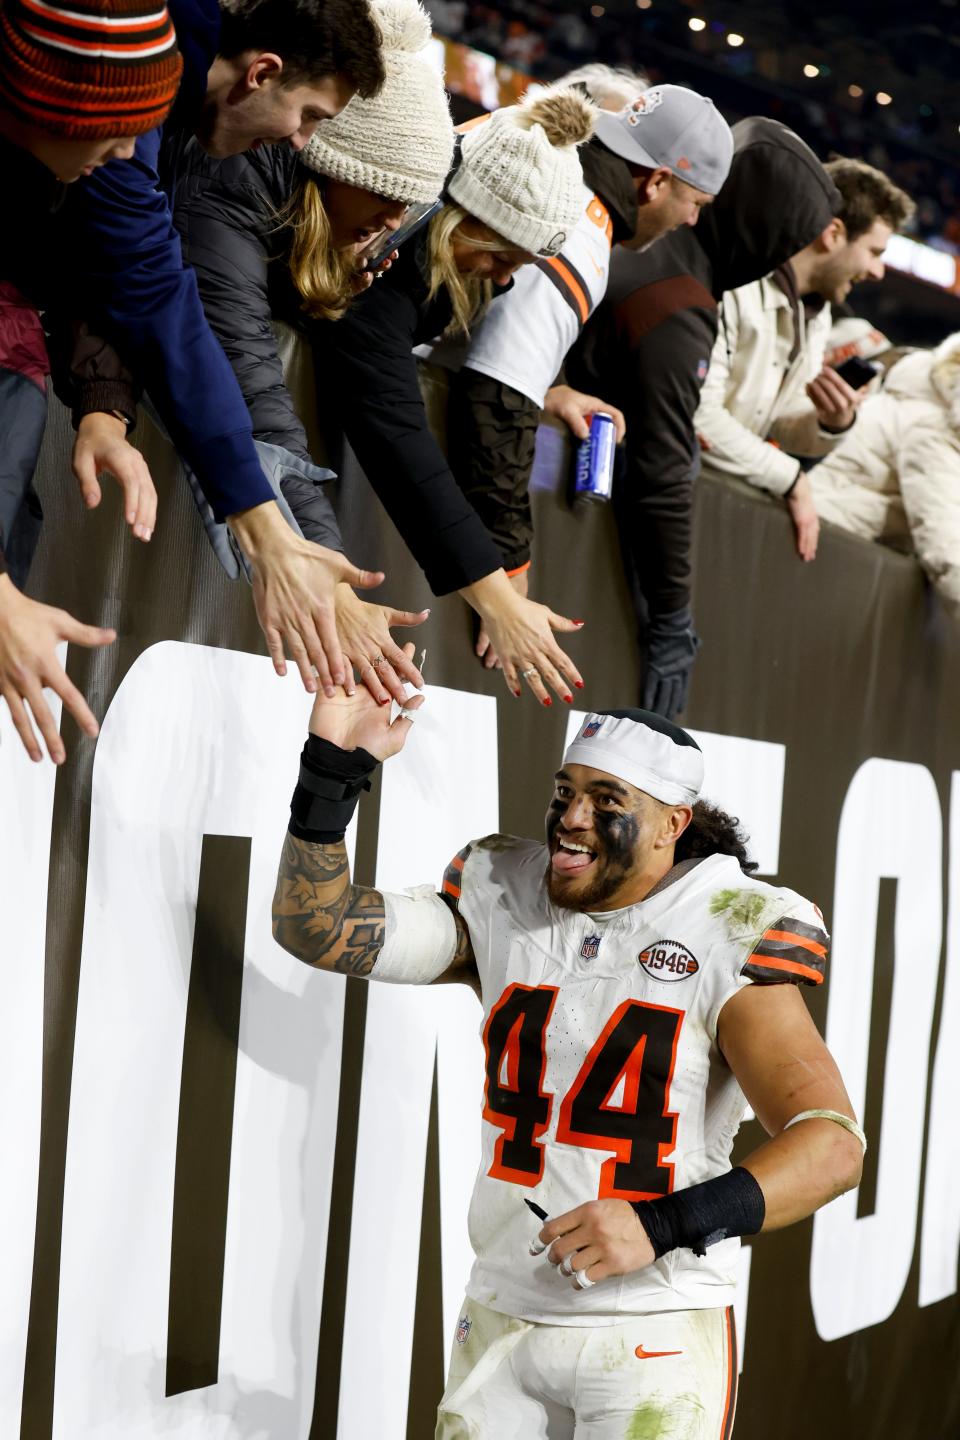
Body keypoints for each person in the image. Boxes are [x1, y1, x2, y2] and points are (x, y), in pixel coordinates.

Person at [271, 684, 864, 1438]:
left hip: (653, 1328)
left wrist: (663, 1224)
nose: (572, 819)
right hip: (502, 1313)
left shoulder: (728, 926)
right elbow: (315, 928)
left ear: (670, 827)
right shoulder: (505, 892)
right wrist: (331, 769)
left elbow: (832, 1144)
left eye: (605, 798)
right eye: (565, 792)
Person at [172, 81, 599, 704]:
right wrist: (492, 593)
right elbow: (386, 424)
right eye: (502, 255)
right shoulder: (381, 247)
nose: (505, 280)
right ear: (460, 216)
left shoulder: (408, 245)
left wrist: (553, 384)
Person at [56, 0, 395, 705]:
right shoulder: (137, 85)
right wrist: (262, 522)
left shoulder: (167, 90)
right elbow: (151, 289)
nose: (301, 142)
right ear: (260, 72)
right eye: (309, 116)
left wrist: (103, 406)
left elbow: (119, 263)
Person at [164, 0, 454, 704]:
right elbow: (254, 386)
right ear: (327, 156)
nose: (395, 225)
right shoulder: (229, 181)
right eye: (387, 199)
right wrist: (323, 569)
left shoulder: (309, 206)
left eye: (411, 214)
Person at [417, 81, 734, 670]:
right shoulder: (583, 227)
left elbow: (496, 328)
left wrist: (552, 384)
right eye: (696, 202)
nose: (690, 221)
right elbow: (496, 404)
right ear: (657, 180)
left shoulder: (543, 139)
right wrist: (508, 574)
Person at [567, 119, 841, 720]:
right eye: (786, 238)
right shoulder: (678, 300)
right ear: (763, 226)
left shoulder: (657, 248)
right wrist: (672, 618)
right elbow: (662, 472)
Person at [0, 0, 183, 762]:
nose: (127, 152)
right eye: (117, 130)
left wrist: (104, 406)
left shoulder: (50, 177)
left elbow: (86, 263)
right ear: (56, 108)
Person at [695, 158, 914, 562]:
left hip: (714, 501)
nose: (879, 271)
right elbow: (698, 419)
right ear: (833, 234)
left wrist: (828, 422)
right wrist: (791, 478)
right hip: (662, 487)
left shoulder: (817, 311)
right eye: (874, 252)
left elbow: (776, 420)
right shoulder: (738, 282)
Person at [810, 332, 960, 611]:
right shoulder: (938, 427)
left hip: (830, 541)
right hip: (819, 539)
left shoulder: (930, 404)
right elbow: (948, 553)